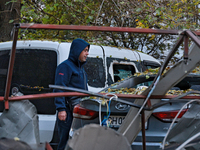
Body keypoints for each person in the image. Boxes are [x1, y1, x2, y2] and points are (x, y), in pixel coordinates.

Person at [53, 38, 90, 150]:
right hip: (68, 111)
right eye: (84, 50)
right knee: (65, 142)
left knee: (77, 142)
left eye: (87, 50)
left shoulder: (81, 70)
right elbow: (59, 88)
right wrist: (61, 109)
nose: (87, 53)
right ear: (77, 51)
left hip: (79, 110)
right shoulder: (65, 67)